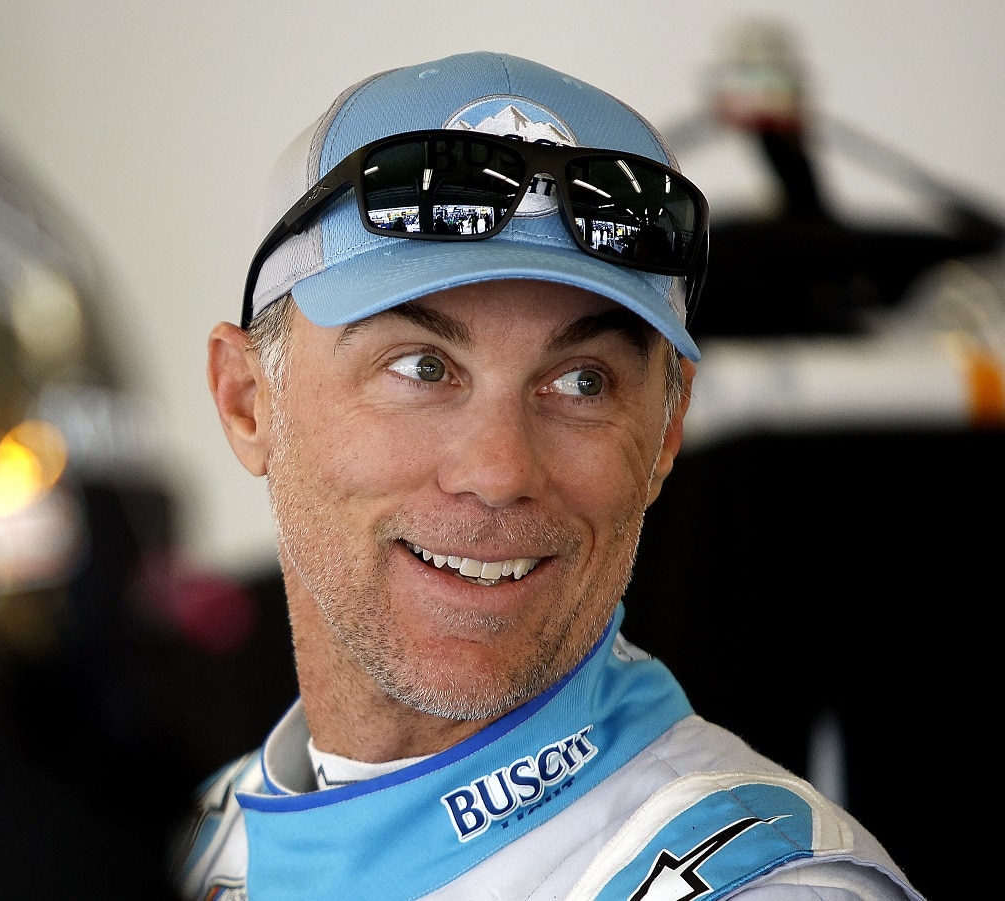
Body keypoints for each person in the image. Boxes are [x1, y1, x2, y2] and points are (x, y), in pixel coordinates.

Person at [171, 50, 924, 901]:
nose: (499, 471)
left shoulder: (773, 889)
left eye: (582, 382)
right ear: (245, 401)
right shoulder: (190, 842)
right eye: (423, 367)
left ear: (665, 432)